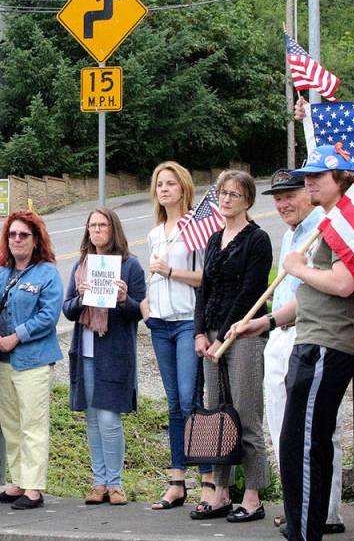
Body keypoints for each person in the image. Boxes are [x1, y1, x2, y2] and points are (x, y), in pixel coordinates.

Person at [231, 145, 354, 541]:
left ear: (339, 178)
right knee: (297, 442)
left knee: (303, 444)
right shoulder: (328, 223)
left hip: (328, 343)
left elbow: (343, 284)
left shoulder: (341, 224)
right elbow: (309, 299)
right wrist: (267, 321)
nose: (308, 183)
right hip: (308, 336)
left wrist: (299, 269)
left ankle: (306, 531)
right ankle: (304, 526)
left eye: (316, 177)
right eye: (306, 176)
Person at [260, 172, 346, 534]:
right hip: (281, 332)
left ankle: (323, 512)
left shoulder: (325, 226)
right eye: (277, 198)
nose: (283, 204)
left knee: (314, 432)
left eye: (290, 194)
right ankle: (296, 508)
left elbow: (322, 288)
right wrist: (265, 323)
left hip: (309, 333)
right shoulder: (289, 234)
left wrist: (298, 268)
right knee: (282, 427)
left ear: (309, 193)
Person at [192, 170, 272, 524]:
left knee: (245, 413)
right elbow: (204, 289)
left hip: (244, 336)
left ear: (248, 201)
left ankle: (253, 495)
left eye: (234, 195)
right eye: (222, 194)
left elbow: (251, 291)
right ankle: (221, 491)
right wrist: (200, 333)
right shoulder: (213, 239)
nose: (225, 200)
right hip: (212, 335)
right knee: (218, 415)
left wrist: (225, 335)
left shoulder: (258, 239)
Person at [138, 161, 214, 510]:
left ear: (183, 188)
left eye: (170, 183)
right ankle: (177, 480)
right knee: (172, 404)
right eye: (159, 184)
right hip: (161, 324)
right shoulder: (155, 233)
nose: (164, 189)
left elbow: (206, 279)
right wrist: (147, 310)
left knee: (190, 400)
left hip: (187, 321)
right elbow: (150, 281)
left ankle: (209, 480)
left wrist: (169, 270)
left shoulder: (196, 228)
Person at [61, 207, 145, 506]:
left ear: (114, 229)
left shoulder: (130, 266)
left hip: (114, 350)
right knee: (93, 419)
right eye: (92, 225)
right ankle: (98, 482)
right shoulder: (80, 266)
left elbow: (139, 311)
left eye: (102, 225)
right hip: (85, 350)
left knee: (110, 418)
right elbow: (68, 309)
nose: (96, 230)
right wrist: (82, 298)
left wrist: (123, 300)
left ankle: (116, 483)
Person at [0, 210, 63, 510]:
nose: (17, 239)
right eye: (12, 235)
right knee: (11, 424)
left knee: (33, 424)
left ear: (35, 240)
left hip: (33, 359)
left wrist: (15, 337)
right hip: (1, 359)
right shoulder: (0, 273)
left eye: (23, 235)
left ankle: (33, 488)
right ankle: (16, 482)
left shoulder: (47, 273)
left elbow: (48, 315)